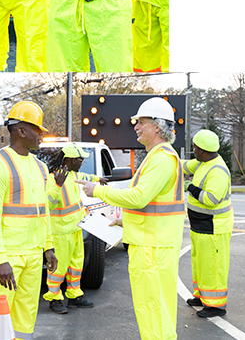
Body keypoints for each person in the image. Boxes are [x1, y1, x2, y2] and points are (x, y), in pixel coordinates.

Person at [78, 97, 185, 340]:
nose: (135, 127)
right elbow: (152, 204)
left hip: (153, 249)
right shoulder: (158, 157)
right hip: (152, 245)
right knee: (154, 311)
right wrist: (126, 221)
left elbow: (138, 197)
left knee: (154, 312)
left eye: (141, 122)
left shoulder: (161, 159)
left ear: (157, 126)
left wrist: (98, 191)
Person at [0, 101, 57, 340]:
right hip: (6, 255)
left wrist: (48, 247)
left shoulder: (41, 168)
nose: (42, 134)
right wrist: (0, 260)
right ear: (21, 131)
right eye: (38, 129)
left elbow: (43, 212)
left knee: (26, 314)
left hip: (32, 254)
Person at [43, 143, 105, 314]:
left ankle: (75, 295)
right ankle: (54, 299)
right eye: (80, 159)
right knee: (59, 267)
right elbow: (48, 205)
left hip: (76, 228)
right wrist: (57, 185)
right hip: (61, 232)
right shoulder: (53, 178)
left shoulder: (72, 174)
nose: (82, 161)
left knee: (76, 265)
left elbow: (85, 176)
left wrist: (98, 180)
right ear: (70, 160)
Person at [182, 129, 233, 318]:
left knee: (213, 265)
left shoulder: (218, 170)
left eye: (194, 147)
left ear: (202, 150)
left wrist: (191, 187)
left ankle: (216, 305)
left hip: (214, 228)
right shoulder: (203, 163)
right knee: (200, 263)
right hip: (202, 226)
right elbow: (185, 165)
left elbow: (211, 199)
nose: (192, 150)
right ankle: (202, 296)